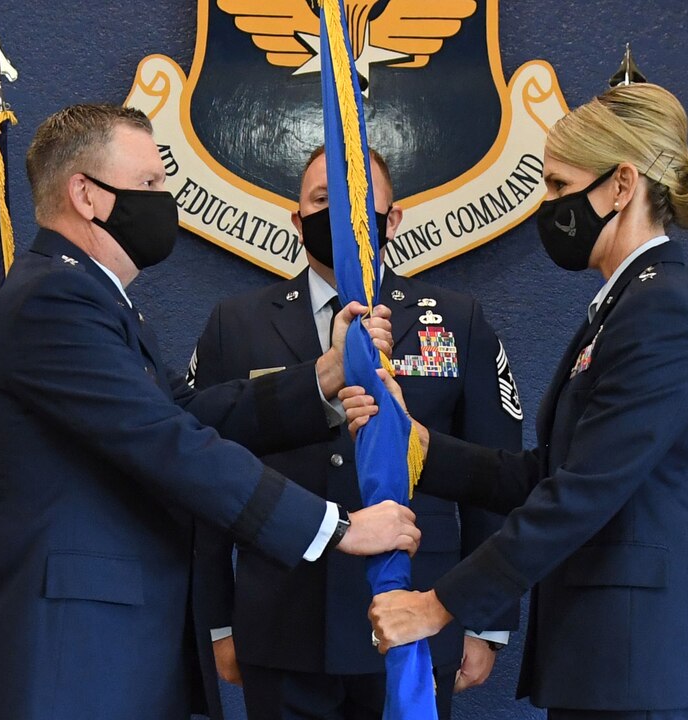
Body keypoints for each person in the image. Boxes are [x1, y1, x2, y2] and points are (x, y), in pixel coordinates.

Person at [0, 104, 422, 720]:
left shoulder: (94, 298)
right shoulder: (54, 299)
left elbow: (187, 413)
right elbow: (171, 443)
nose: (165, 200)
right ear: (86, 195)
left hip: (104, 649)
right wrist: (339, 528)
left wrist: (321, 378)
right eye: (149, 185)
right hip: (68, 657)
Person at [346, 82, 688, 720]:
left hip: (636, 668)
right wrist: (420, 446)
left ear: (621, 186)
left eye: (557, 185)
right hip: (603, 660)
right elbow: (547, 474)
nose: (545, 205)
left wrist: (436, 605)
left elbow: (581, 495)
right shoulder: (625, 305)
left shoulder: (663, 312)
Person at [188, 146, 523, 719]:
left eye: (361, 202)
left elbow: (494, 473)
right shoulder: (235, 324)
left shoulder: (454, 318)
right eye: (322, 201)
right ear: (296, 220)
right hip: (282, 620)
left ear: (393, 220)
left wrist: (486, 621)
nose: (341, 216)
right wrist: (218, 619)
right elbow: (203, 475)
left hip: (412, 614)